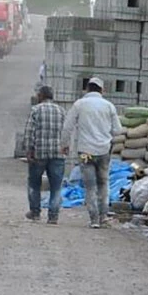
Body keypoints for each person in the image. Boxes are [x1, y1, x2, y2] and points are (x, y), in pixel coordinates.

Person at [61, 77, 123, 228]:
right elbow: (118, 130)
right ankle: (103, 216)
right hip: (103, 152)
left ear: (87, 89)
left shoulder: (79, 104)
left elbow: (67, 126)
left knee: (89, 186)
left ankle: (93, 219)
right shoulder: (109, 106)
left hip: (85, 152)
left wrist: (64, 145)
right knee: (103, 183)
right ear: (102, 90)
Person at [24, 85, 66, 224]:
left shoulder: (36, 110)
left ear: (41, 96)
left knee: (35, 183)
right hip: (57, 154)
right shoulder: (61, 111)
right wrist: (66, 148)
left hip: (39, 153)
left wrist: (29, 150)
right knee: (56, 186)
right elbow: (67, 132)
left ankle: (35, 212)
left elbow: (30, 131)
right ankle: (53, 216)